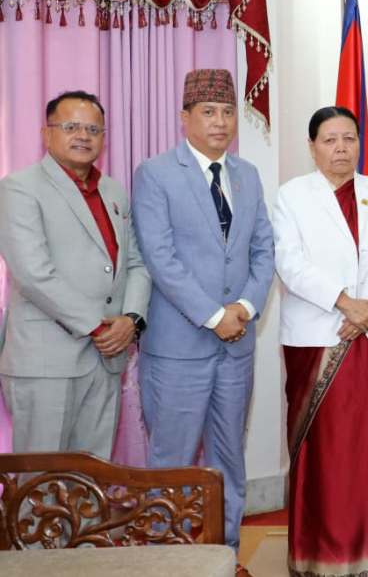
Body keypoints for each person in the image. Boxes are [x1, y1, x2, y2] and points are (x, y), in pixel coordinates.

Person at [131, 69, 275, 550]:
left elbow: (263, 250)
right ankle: (164, 560)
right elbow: (160, 258)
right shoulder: (155, 174)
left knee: (229, 460)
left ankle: (224, 554)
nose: (220, 122)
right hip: (178, 350)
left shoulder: (247, 175)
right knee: (170, 463)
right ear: (184, 117)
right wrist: (216, 317)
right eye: (208, 112)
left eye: (228, 112)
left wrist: (246, 307)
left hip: (236, 349)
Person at [273, 106, 368, 576]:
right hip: (317, 336)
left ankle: (366, 552)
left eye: (349, 138)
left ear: (361, 143)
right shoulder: (293, 196)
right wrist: (344, 302)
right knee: (323, 452)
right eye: (330, 140)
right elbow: (289, 262)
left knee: (363, 449)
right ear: (312, 146)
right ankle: (316, 555)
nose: (341, 148)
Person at [0, 90, 150, 458]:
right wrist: (100, 328)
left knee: (92, 476)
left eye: (93, 129)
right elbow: (34, 274)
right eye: (71, 127)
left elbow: (135, 263)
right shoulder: (19, 188)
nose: (83, 136)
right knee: (41, 478)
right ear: (46, 133)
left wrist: (130, 320)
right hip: (46, 361)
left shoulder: (113, 191)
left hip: (107, 359)